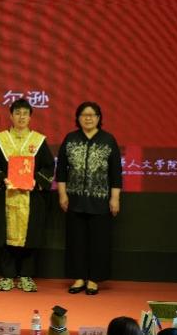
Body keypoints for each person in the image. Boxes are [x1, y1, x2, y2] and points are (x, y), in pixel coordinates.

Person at [0, 98, 55, 292]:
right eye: (17, 113)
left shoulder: (38, 141)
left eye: (25, 114)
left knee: (30, 236)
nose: (21, 117)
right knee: (6, 236)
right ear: (11, 116)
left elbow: (48, 166)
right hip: (6, 195)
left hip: (31, 197)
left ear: (30, 117)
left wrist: (36, 181)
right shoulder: (0, 139)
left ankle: (26, 275)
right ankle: (7, 275)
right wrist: (2, 179)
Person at [56, 101, 122, 295]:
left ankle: (93, 280)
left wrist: (115, 198)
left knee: (98, 242)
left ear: (99, 118)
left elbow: (116, 172)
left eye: (92, 115)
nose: (88, 118)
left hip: (100, 200)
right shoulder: (70, 138)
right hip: (74, 199)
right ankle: (78, 278)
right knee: (76, 241)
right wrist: (62, 194)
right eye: (84, 115)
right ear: (78, 118)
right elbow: (61, 170)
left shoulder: (108, 140)